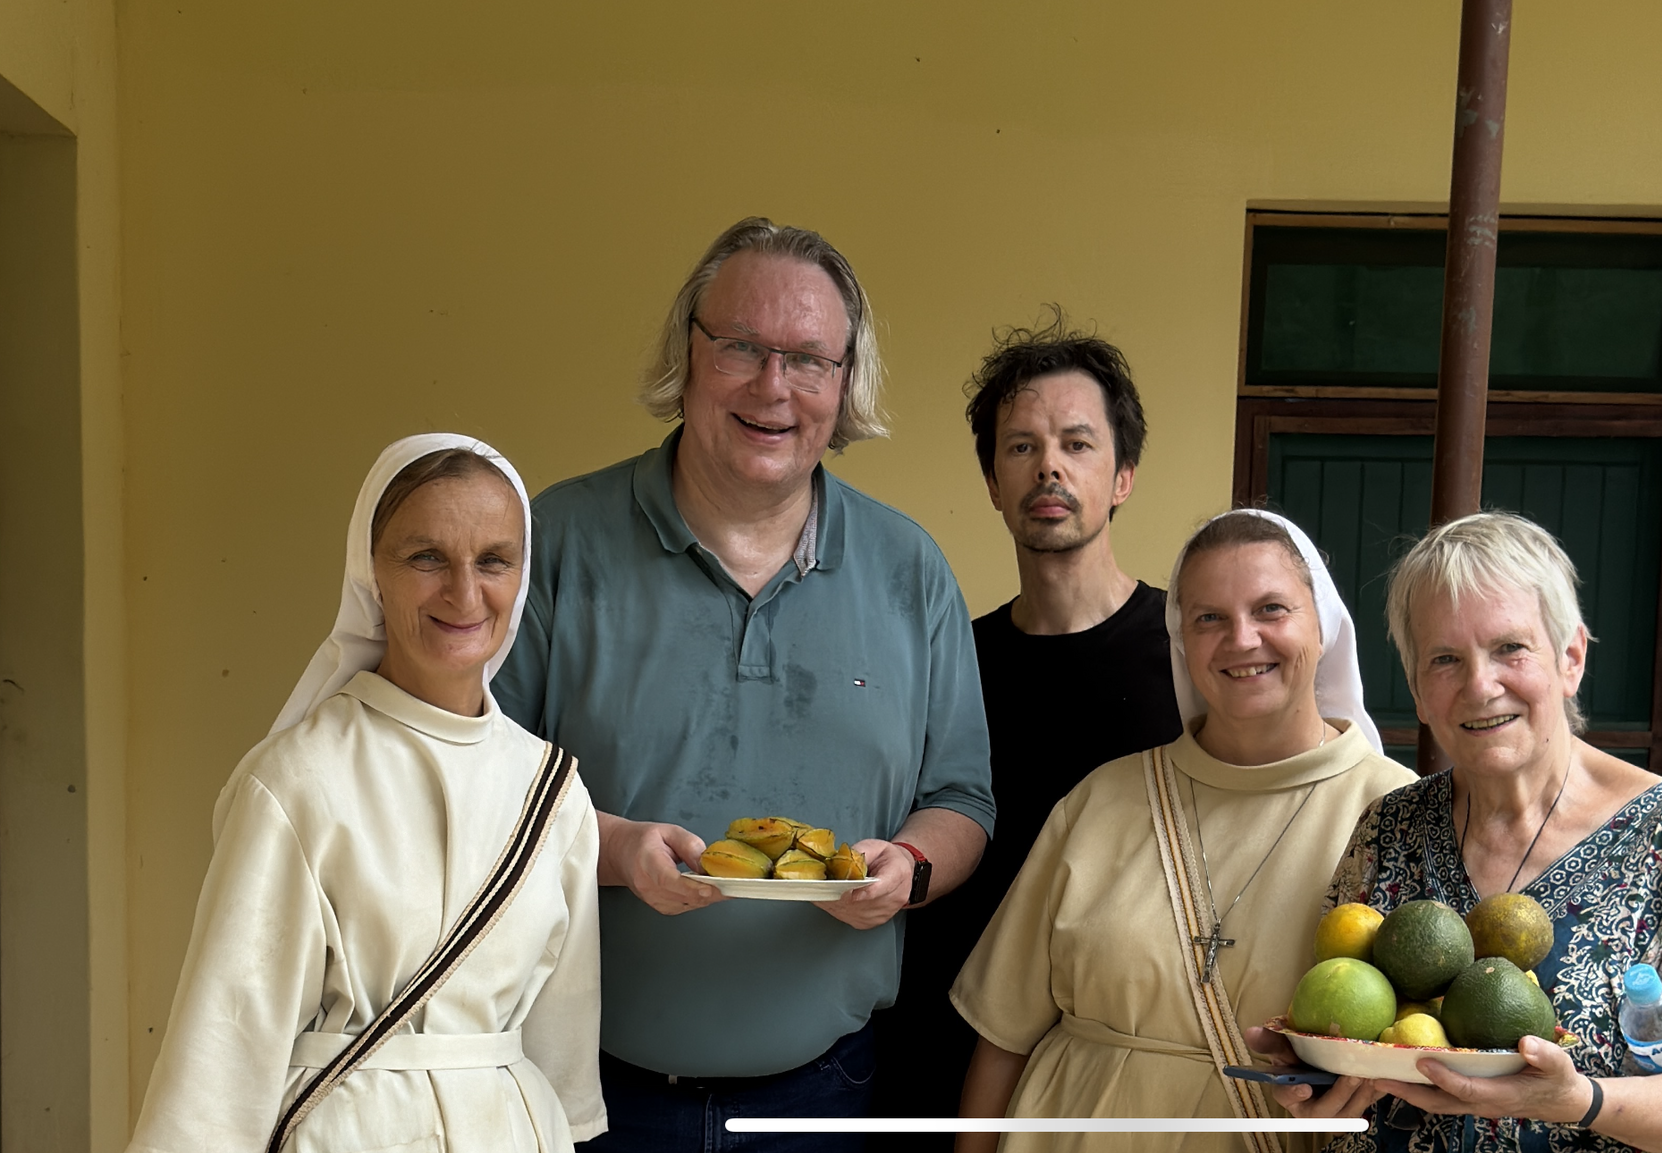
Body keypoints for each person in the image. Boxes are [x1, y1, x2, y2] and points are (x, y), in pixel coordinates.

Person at [491, 217, 994, 1150]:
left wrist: (908, 870)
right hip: (584, 1091)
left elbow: (962, 797)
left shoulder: (910, 569)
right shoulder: (555, 541)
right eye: (741, 346)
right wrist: (615, 849)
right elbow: (476, 789)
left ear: (844, 385)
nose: (773, 386)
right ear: (687, 354)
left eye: (809, 360)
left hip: (828, 1097)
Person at [1252, 512, 1662, 1153]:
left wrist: (1582, 1101)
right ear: (1417, 690)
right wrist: (1316, 1085)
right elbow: (1348, 1030)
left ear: (1570, 659)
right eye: (1444, 659)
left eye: (1509, 648)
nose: (1480, 685)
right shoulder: (1389, 828)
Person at [128, 435, 606, 1152]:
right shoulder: (296, 781)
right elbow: (225, 1048)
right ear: (371, 573)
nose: (464, 593)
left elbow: (562, 1053)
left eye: (493, 560)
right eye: (426, 557)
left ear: (522, 573)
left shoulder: (554, 789)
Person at [952, 509, 1413, 1153]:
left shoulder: (1398, 812)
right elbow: (1004, 1037)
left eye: (1271, 609)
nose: (1242, 639)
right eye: (1208, 618)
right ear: (1180, 641)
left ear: (1324, 624)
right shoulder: (1099, 801)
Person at [872, 314, 1184, 1134]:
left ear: (1122, 476)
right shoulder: (949, 658)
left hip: (1111, 1051)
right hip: (940, 1043)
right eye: (1022, 446)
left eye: (1077, 444)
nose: (1049, 465)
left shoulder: (1191, 657)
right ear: (992, 481)